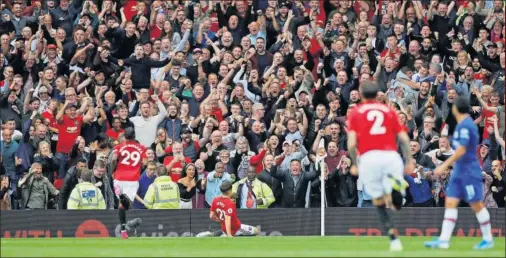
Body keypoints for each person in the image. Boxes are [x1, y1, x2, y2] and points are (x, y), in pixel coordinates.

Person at [346, 81, 414, 252]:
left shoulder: (356, 112)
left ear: (361, 94)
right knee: (397, 204)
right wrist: (410, 160)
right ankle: (396, 188)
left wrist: (354, 164)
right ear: (377, 94)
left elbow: (352, 143)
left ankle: (393, 239)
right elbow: (404, 139)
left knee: (378, 202)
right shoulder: (389, 110)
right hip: (391, 156)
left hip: (370, 158)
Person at [424, 96, 494, 250]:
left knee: (476, 204)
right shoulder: (462, 124)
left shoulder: (466, 126)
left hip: (469, 171)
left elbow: (461, 150)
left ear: (455, 109)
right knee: (450, 202)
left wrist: (444, 165)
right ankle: (444, 240)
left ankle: (488, 239)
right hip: (459, 171)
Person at [110, 127, 146, 239]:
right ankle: (121, 196)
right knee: (126, 205)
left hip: (119, 177)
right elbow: (145, 162)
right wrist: (138, 168)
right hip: (132, 179)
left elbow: (113, 159)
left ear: (125, 136)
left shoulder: (119, 147)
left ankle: (123, 230)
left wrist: (112, 171)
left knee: (121, 205)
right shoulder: (142, 148)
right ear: (135, 136)